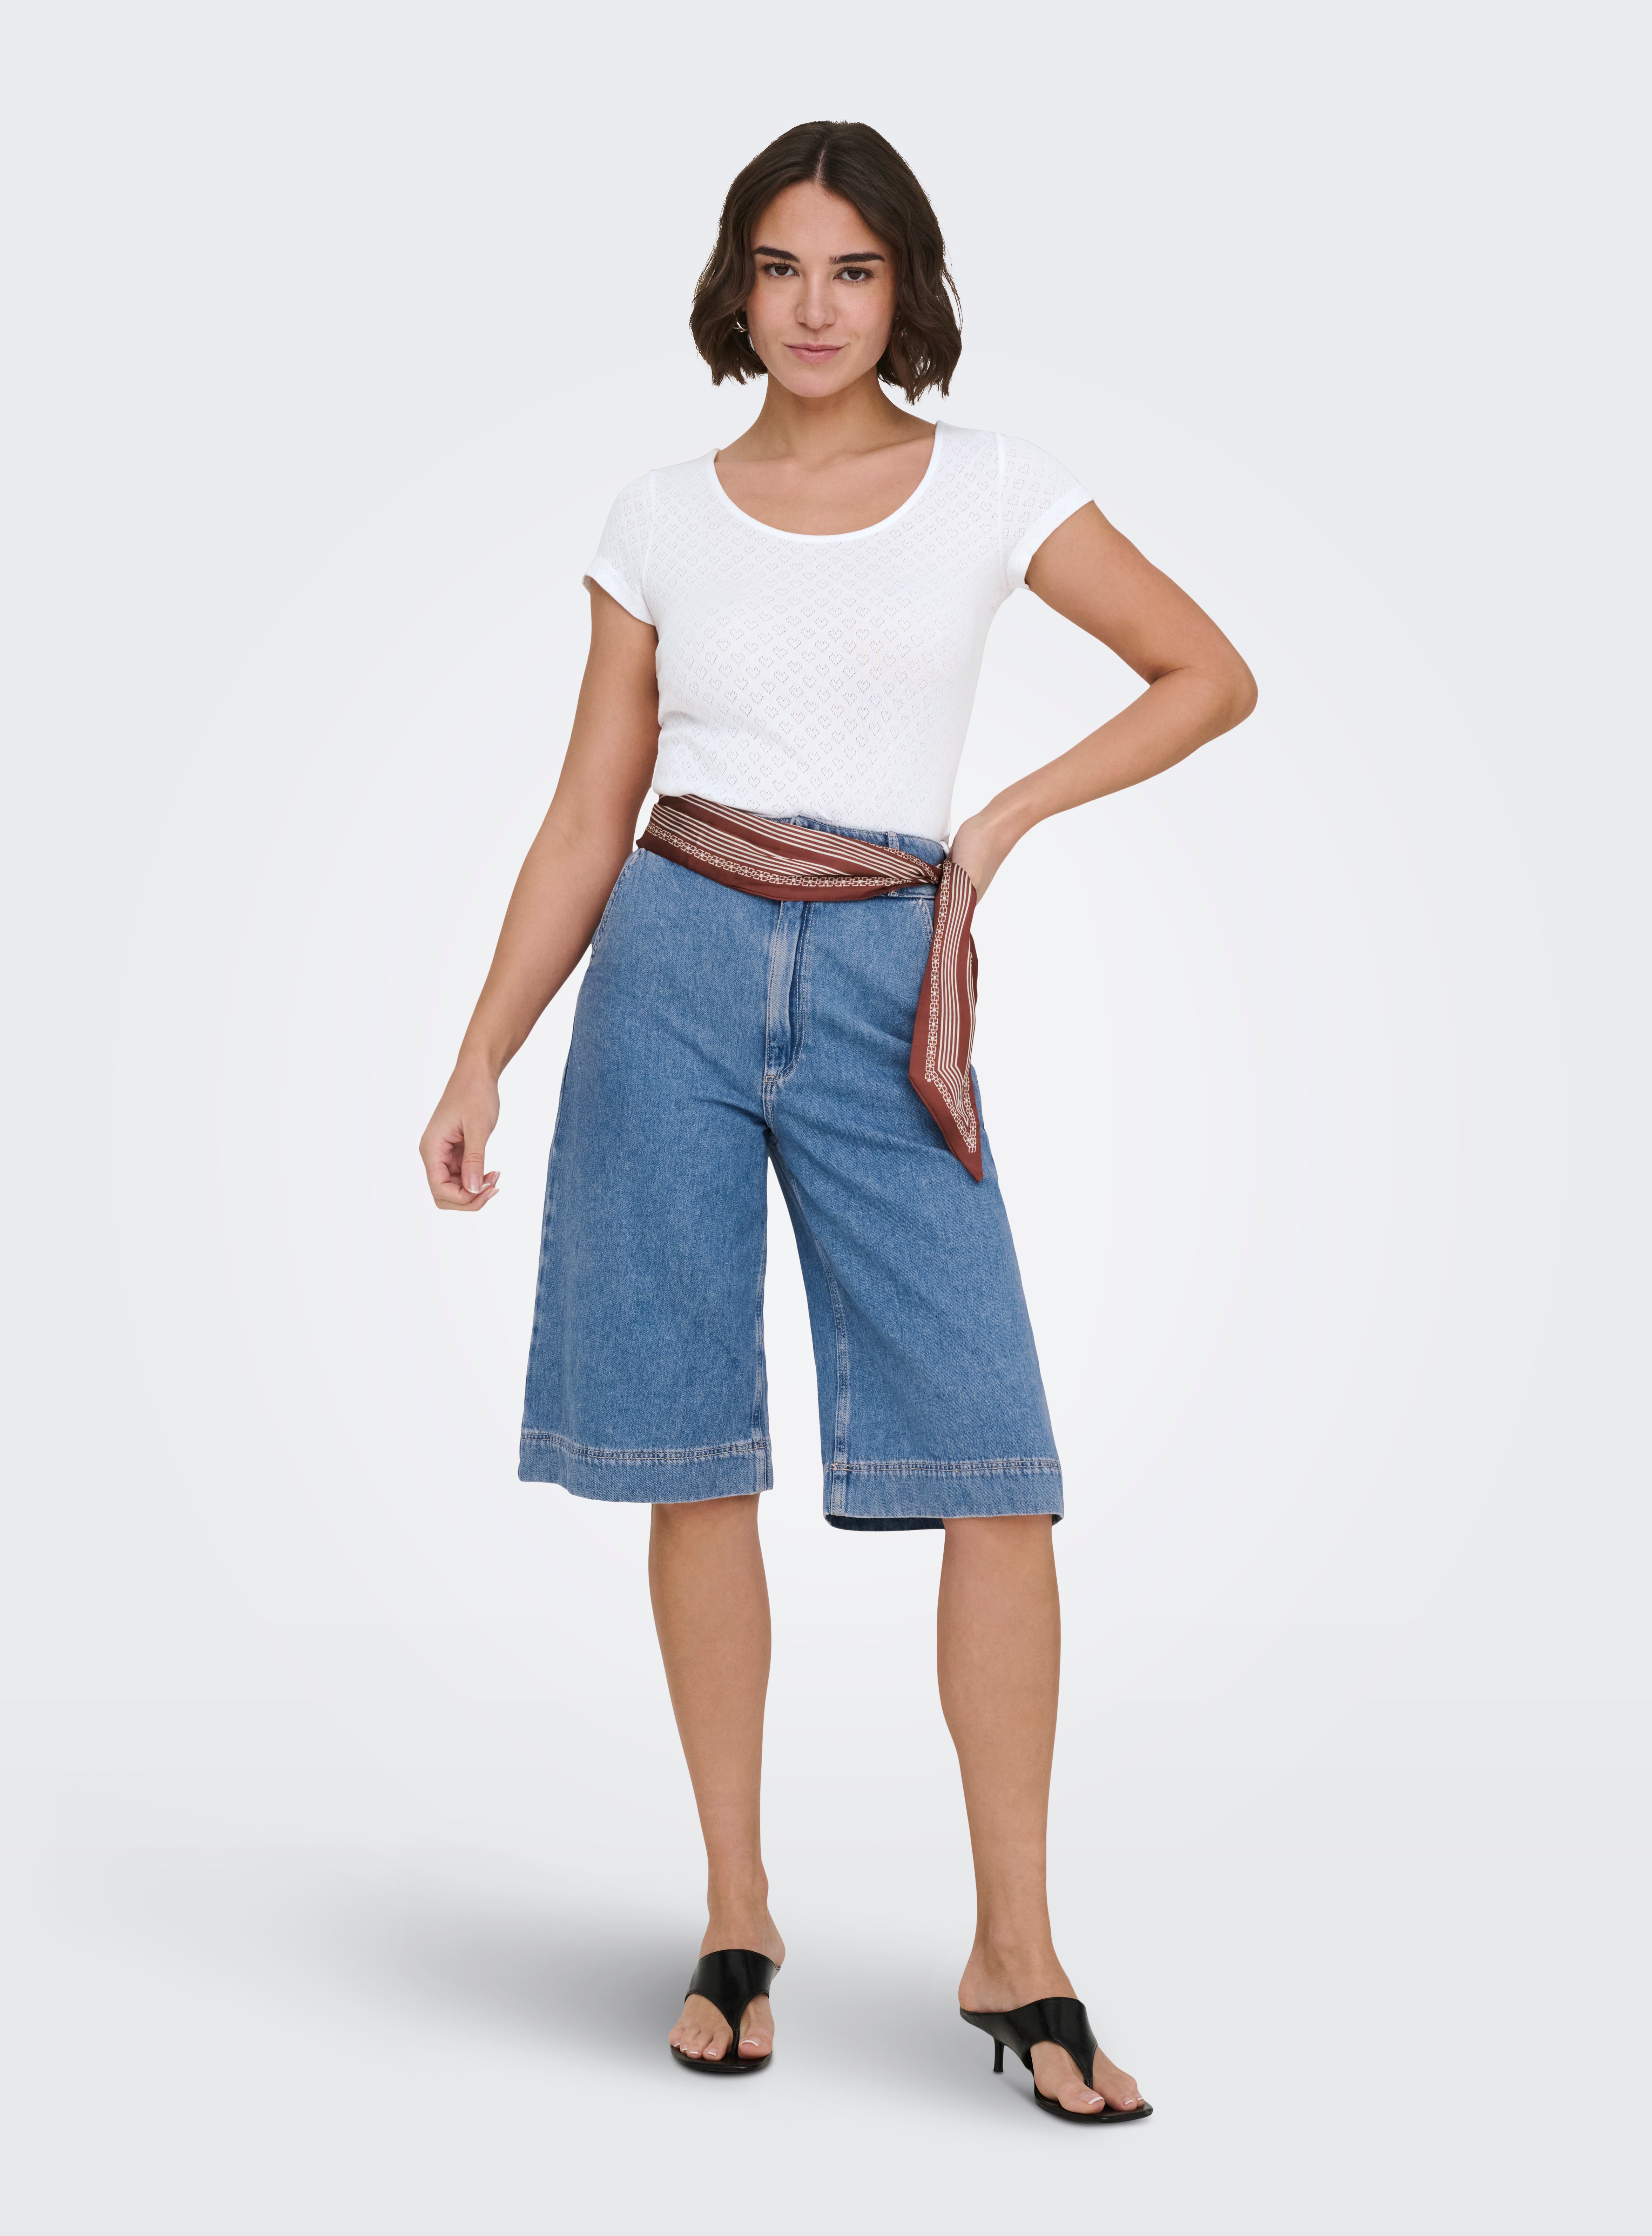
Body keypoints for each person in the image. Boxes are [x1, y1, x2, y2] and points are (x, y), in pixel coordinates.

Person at [419, 119, 1255, 2122]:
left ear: (906, 291)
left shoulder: (994, 487)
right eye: (783, 268)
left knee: (997, 1463)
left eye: (854, 271)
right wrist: (479, 1054)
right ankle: (737, 1911)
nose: (815, 308)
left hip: (892, 970)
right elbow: (588, 809)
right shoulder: (656, 517)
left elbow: (1206, 671)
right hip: (674, 962)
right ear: (737, 284)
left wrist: (1000, 826)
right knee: (691, 1448)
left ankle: (1016, 1947)